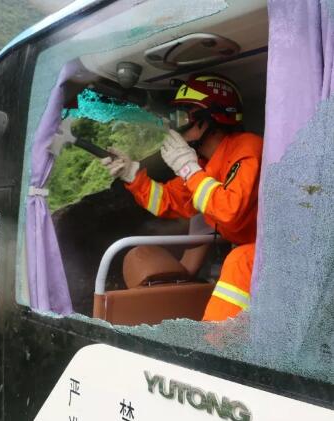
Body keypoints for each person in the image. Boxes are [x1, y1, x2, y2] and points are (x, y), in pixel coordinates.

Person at [102, 74, 263, 321]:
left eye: (184, 116)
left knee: (239, 262)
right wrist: (132, 175)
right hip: (250, 247)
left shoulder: (248, 148)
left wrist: (188, 169)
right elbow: (167, 201)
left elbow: (229, 211)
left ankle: (217, 352)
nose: (177, 126)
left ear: (213, 117)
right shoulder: (204, 165)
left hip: (277, 249)